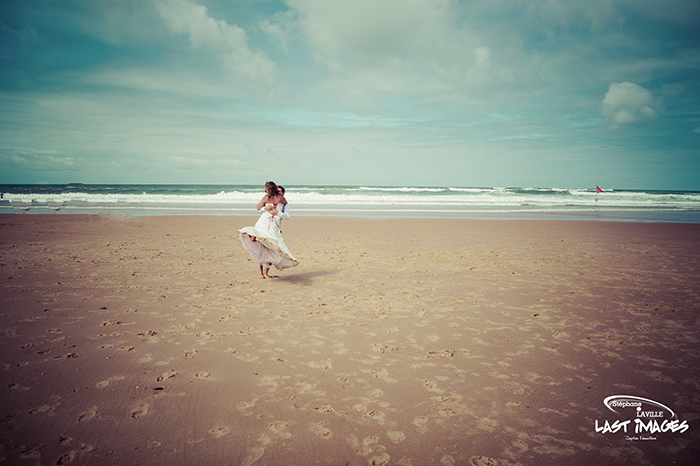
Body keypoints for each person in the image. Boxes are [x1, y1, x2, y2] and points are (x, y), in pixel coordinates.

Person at [239, 182, 299, 278]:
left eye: (279, 192)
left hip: (274, 226)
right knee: (261, 249)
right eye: (276, 191)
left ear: (283, 193)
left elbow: (287, 216)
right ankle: (260, 272)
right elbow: (259, 209)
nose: (277, 193)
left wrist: (278, 212)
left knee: (273, 249)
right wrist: (265, 208)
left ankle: (266, 272)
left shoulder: (284, 202)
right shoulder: (267, 198)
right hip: (264, 221)